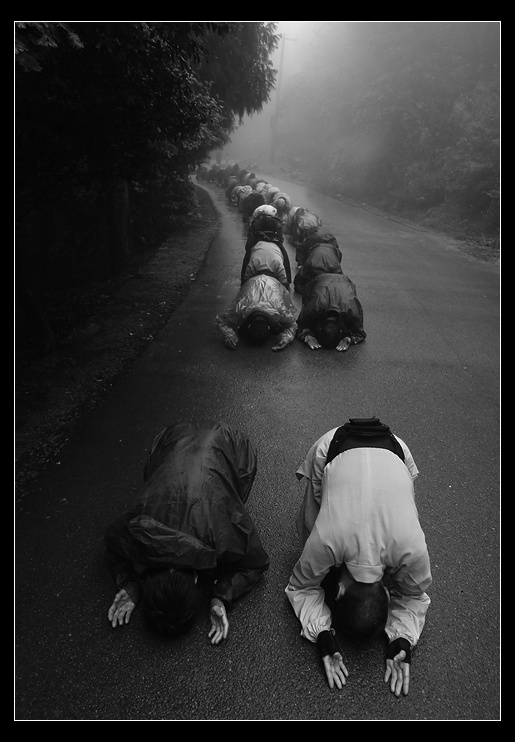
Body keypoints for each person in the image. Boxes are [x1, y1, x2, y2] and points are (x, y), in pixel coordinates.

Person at [285, 418, 432, 696]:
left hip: (387, 449)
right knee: (312, 523)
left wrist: (322, 633)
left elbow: (301, 587)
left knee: (317, 530)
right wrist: (402, 639)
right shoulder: (327, 539)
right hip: (360, 449)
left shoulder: (411, 548)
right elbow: (415, 596)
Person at [105, 421, 270, 644]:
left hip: (229, 443)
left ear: (195, 580)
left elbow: (255, 562)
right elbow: (114, 543)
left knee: (231, 496)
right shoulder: (138, 531)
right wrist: (220, 598)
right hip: (173, 435)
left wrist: (131, 583)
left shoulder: (220, 529)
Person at [215, 274, 297, 351]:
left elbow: (292, 323)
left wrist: (287, 337)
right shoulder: (241, 308)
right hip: (259, 284)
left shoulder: (278, 310)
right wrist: (229, 335)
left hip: (271, 284)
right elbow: (222, 321)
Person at [296, 272, 366, 351]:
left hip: (343, 282)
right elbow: (299, 324)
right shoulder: (312, 308)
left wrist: (349, 339)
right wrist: (308, 336)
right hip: (319, 281)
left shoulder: (352, 312)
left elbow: (360, 333)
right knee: (308, 300)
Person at [243, 212, 292, 287]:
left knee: (248, 258)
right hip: (265, 239)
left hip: (267, 239)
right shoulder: (257, 225)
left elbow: (280, 238)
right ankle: (288, 279)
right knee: (284, 256)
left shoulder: (276, 225)